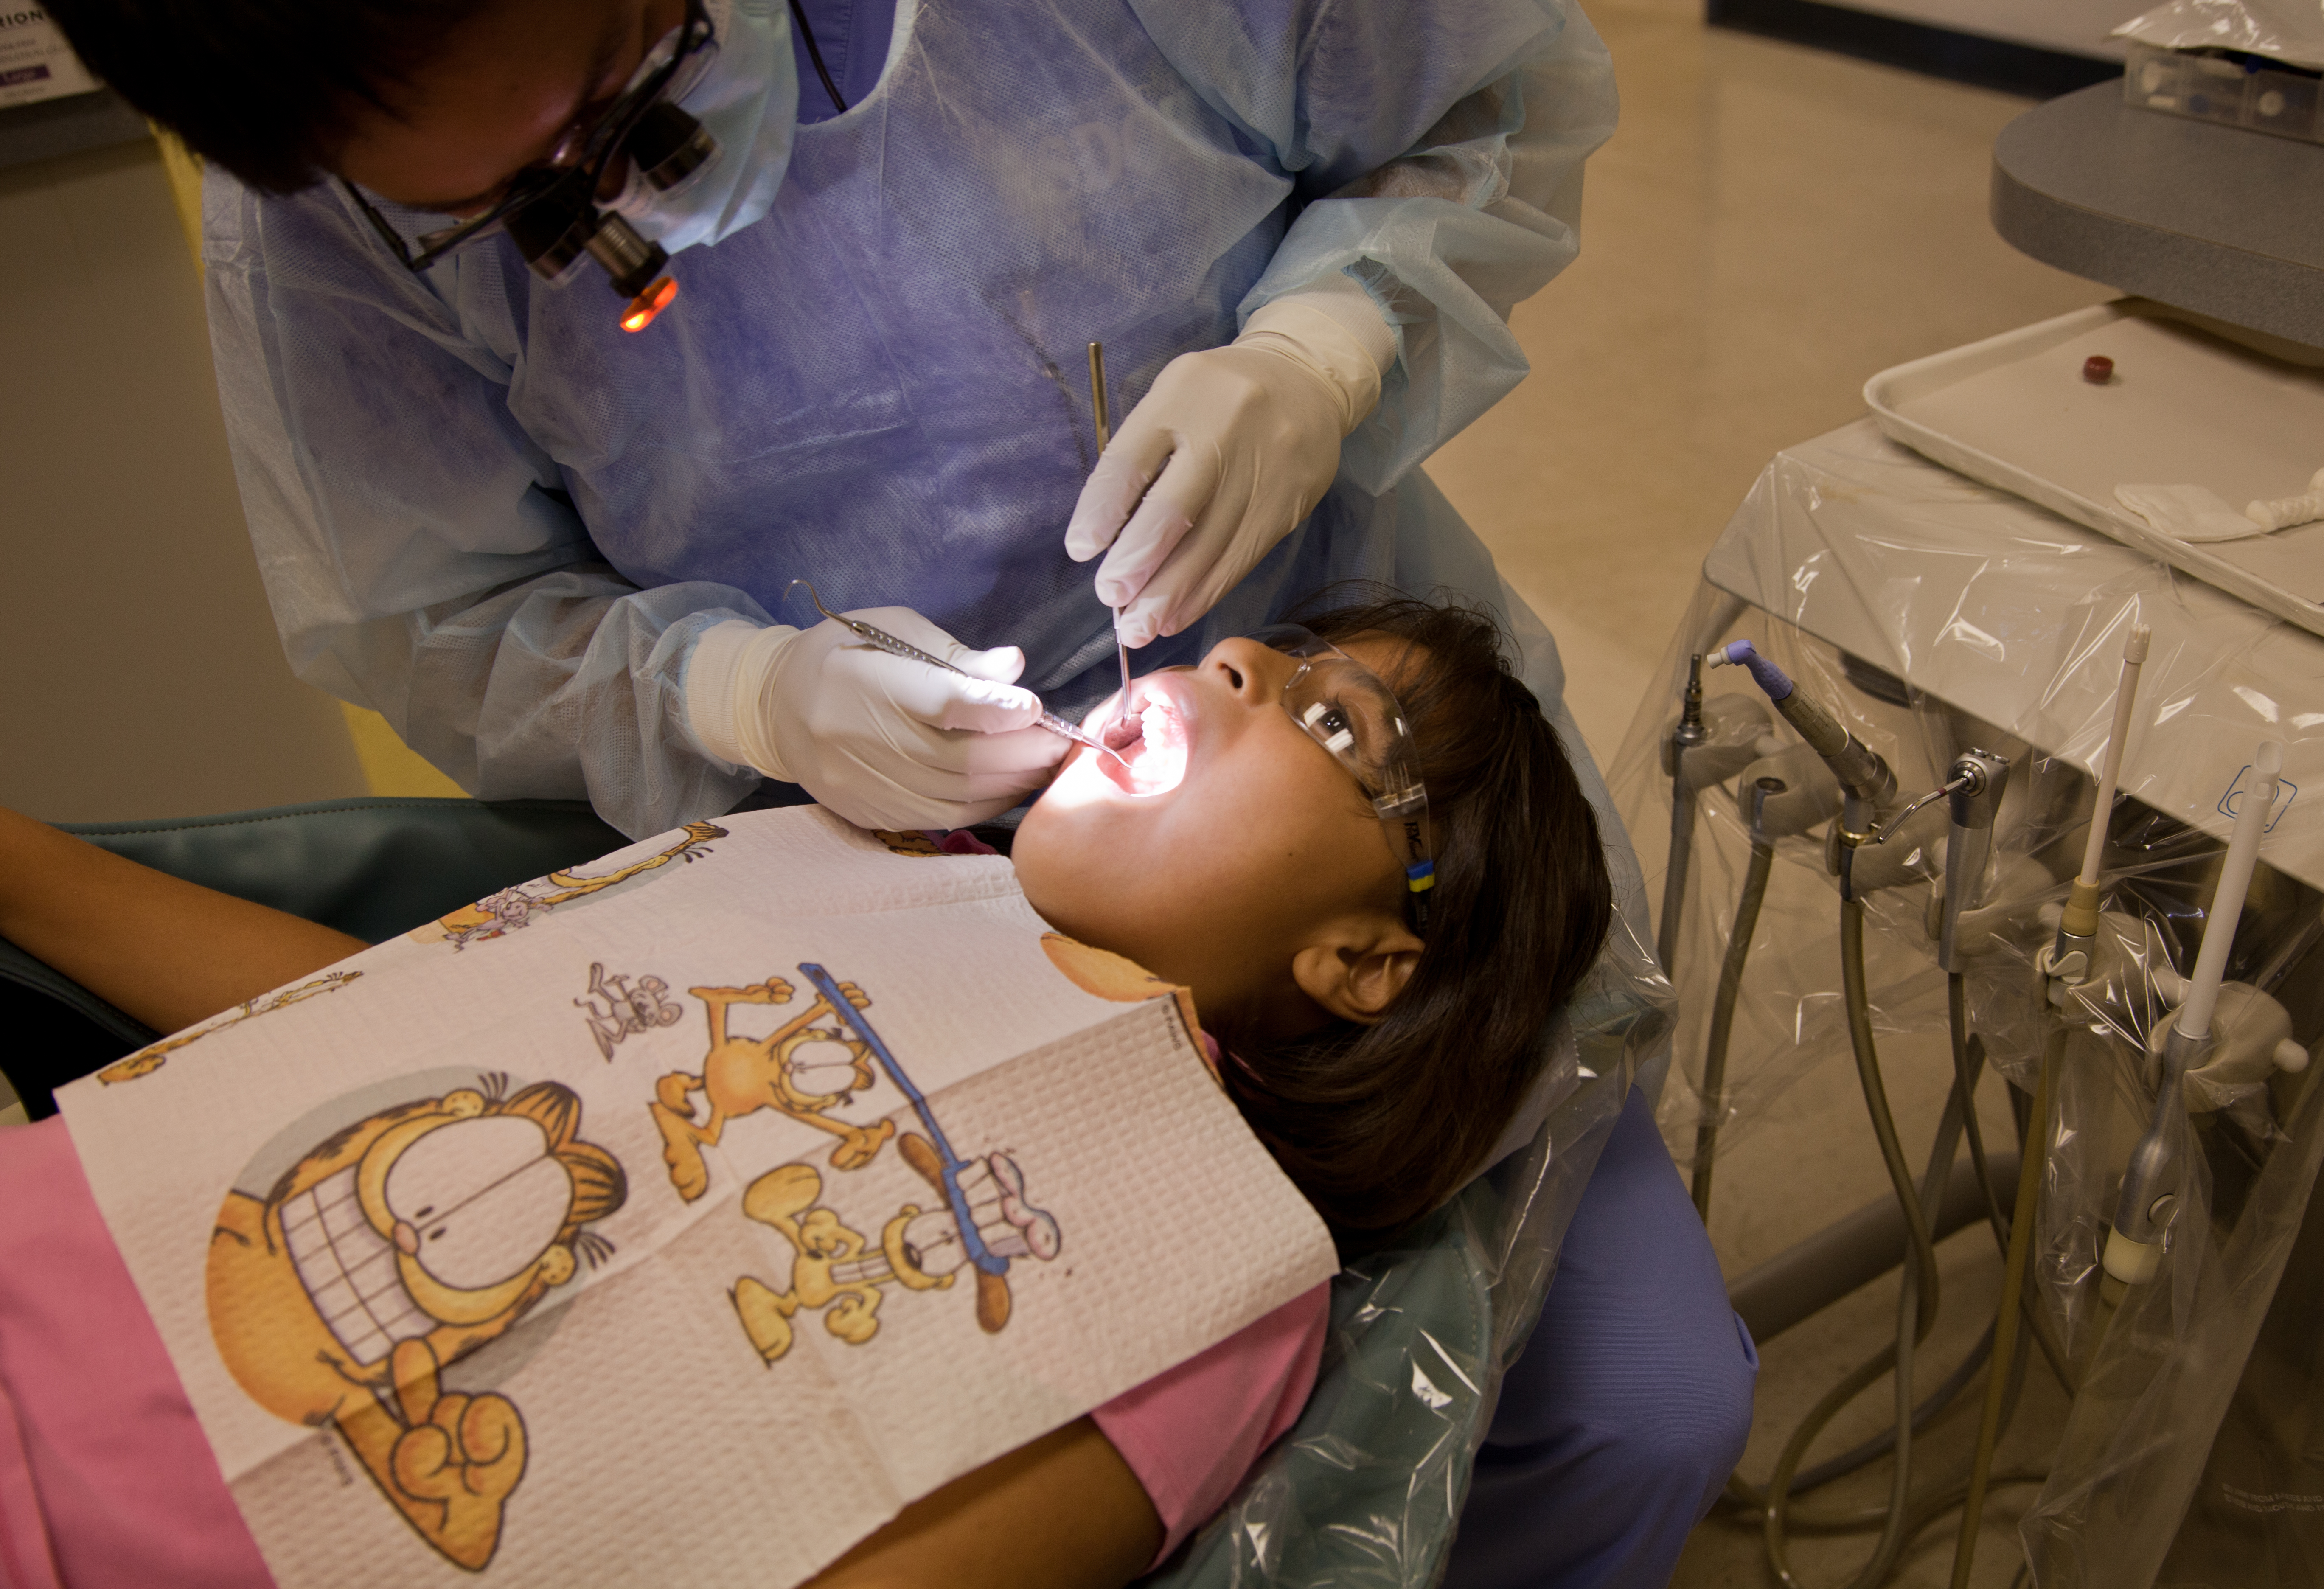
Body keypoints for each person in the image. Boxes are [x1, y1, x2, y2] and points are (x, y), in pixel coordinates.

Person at [45, 0, 1757, 1577]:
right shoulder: (770, 911)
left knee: (1635, 1407)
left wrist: (1325, 341)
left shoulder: (1209, 1303)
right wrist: (739, 691)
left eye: (631, 104)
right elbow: (401, 998)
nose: (1236, 661)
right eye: (530, 217)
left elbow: (1482, 104)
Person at [0, 598, 1608, 1586]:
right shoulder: (842, 851)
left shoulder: (1221, 1287)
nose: (1239, 653)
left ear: (1365, 962)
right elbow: (348, 1039)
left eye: (1337, 722)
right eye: (1277, 650)